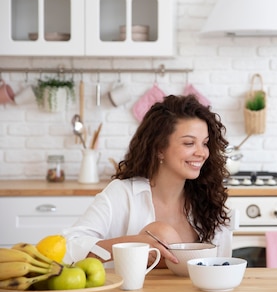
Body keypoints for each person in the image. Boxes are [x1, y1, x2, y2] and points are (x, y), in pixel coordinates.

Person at [62, 94, 231, 268]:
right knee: (161, 232)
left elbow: (223, 265)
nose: (202, 153)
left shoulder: (209, 199)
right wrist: (133, 245)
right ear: (159, 149)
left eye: (205, 143)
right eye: (189, 143)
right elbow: (67, 248)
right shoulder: (123, 193)